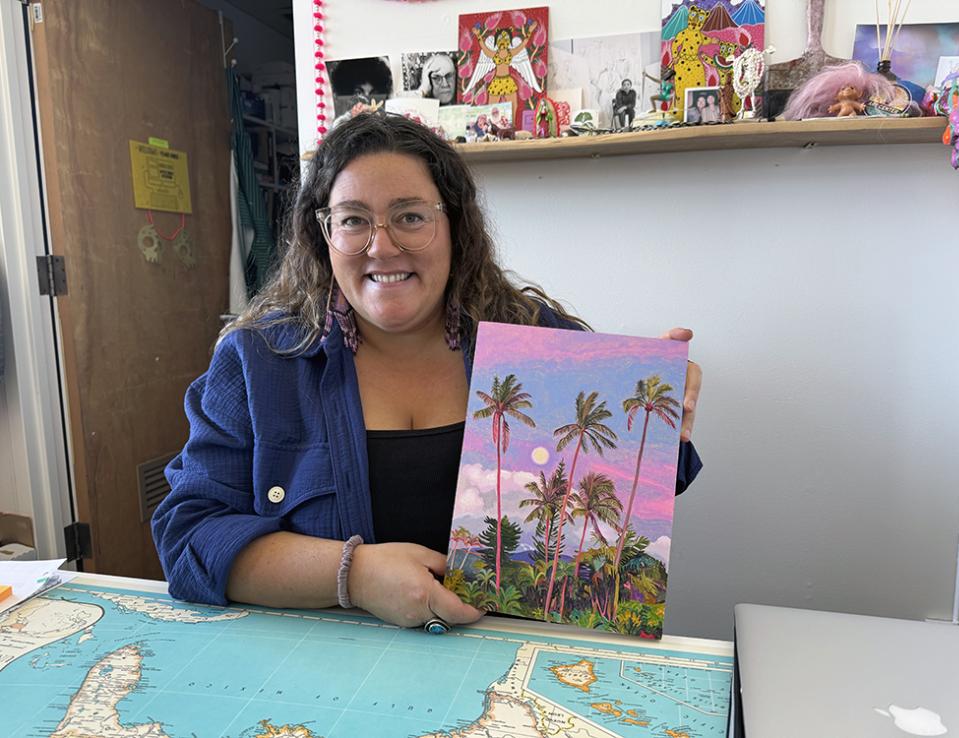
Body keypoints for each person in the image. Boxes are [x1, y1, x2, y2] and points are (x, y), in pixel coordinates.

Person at [151, 113, 703, 632]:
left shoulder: (536, 341)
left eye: (411, 216)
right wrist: (354, 575)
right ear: (324, 235)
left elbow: (632, 501)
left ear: (454, 226)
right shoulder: (258, 362)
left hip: (519, 663)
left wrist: (659, 414)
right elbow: (190, 539)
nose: (382, 246)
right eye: (353, 221)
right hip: (330, 673)